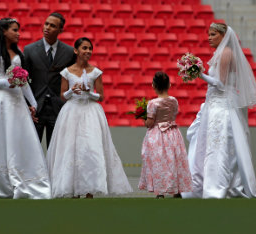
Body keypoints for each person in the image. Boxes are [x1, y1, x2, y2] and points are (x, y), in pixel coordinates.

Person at [181, 23, 256, 199]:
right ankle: (203, 184)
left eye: (213, 34)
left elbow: (220, 84)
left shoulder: (226, 53)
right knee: (207, 144)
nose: (209, 38)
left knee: (217, 146)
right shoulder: (221, 53)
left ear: (222, 35)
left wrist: (200, 74)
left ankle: (216, 185)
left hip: (220, 105)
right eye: (209, 34)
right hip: (213, 104)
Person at [0, 18, 51, 199]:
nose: (18, 33)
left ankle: (25, 178)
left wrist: (32, 102)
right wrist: (5, 83)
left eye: (18, 30)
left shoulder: (17, 53)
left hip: (16, 103)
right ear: (4, 31)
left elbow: (22, 82)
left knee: (18, 139)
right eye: (14, 30)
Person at [46, 37, 133, 198]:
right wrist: (73, 91)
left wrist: (88, 92)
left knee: (91, 149)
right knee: (70, 149)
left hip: (91, 112)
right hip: (71, 111)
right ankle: (71, 189)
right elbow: (63, 96)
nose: (88, 51)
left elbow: (101, 96)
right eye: (84, 48)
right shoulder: (67, 72)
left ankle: (90, 189)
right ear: (76, 50)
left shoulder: (96, 72)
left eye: (90, 49)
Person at [24, 12, 75, 147]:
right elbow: (24, 81)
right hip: (36, 109)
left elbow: (72, 79)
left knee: (56, 153)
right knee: (32, 151)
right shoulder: (29, 50)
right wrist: (27, 106)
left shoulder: (70, 52)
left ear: (60, 30)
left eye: (52, 26)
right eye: (46, 24)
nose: (47, 27)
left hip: (58, 109)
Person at [138, 72, 192, 198]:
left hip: (158, 135)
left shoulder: (152, 103)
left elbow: (150, 123)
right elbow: (174, 113)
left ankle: (160, 191)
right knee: (174, 160)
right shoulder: (174, 100)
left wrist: (143, 119)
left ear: (153, 85)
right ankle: (177, 190)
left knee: (159, 162)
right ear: (169, 85)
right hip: (173, 133)